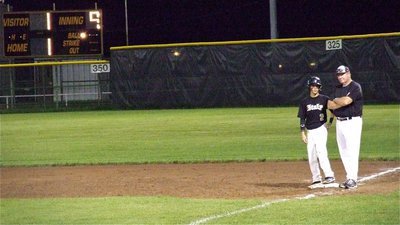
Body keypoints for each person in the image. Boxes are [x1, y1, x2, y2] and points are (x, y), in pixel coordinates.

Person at [328, 65, 363, 189]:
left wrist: (337, 100)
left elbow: (345, 102)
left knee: (352, 151)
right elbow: (330, 105)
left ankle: (353, 178)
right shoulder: (337, 88)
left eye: (342, 74)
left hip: (352, 121)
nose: (340, 77)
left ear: (349, 73)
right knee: (343, 151)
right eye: (338, 75)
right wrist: (339, 102)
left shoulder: (355, 87)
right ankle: (349, 177)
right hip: (340, 122)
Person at [298, 76, 336, 189]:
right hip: (310, 131)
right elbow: (302, 118)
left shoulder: (324, 99)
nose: (315, 88)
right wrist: (302, 133)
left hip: (321, 129)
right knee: (311, 155)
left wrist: (330, 122)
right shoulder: (304, 102)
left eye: (317, 86)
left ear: (319, 88)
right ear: (310, 87)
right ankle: (316, 178)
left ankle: (329, 175)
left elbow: (333, 111)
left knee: (321, 151)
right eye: (313, 86)